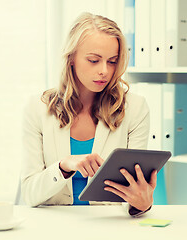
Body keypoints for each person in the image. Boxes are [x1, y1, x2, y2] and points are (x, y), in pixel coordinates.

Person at [21, 12, 157, 217]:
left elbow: (133, 193)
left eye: (112, 61)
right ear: (72, 58)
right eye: (94, 60)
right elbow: (30, 194)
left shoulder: (135, 108)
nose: (104, 70)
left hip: (109, 226)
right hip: (53, 225)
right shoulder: (37, 108)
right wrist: (64, 167)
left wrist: (141, 204)